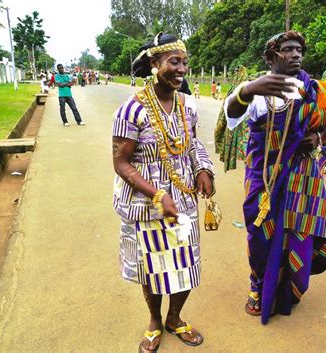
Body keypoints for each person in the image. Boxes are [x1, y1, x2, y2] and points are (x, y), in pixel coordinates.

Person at [224, 31, 326, 324]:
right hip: (262, 174)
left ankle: (288, 288)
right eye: (288, 49)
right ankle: (258, 286)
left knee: (299, 232)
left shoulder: (315, 90)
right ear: (270, 57)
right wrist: (249, 89)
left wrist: (318, 136)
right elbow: (229, 116)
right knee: (260, 231)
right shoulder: (253, 87)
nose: (296, 55)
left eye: (299, 50)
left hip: (302, 174)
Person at [112, 33, 214, 352]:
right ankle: (155, 321)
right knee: (153, 268)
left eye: (184, 62)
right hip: (146, 204)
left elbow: (193, 143)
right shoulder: (132, 110)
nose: (181, 68)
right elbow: (121, 162)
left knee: (184, 263)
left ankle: (175, 318)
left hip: (183, 201)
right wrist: (157, 195)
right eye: (174, 62)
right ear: (155, 64)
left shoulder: (187, 105)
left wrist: (202, 169)